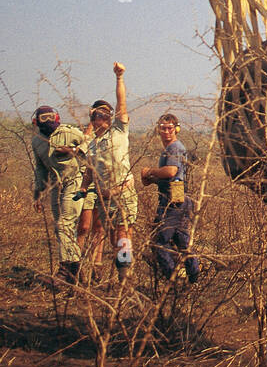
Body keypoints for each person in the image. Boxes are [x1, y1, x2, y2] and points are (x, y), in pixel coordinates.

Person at [78, 62, 139, 285]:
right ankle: (125, 270)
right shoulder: (92, 145)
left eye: (104, 114)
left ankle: (125, 279)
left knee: (122, 237)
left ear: (111, 117)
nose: (99, 118)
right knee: (115, 240)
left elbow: (121, 102)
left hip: (123, 195)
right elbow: (89, 170)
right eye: (95, 115)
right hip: (104, 201)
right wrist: (84, 188)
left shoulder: (119, 131)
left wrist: (119, 78)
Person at [29, 106, 86, 287]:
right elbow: (40, 169)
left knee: (64, 225)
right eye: (43, 119)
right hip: (56, 185)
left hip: (75, 182)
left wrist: (74, 151)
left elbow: (90, 143)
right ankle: (76, 272)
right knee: (61, 228)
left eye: (50, 118)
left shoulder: (70, 133)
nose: (48, 122)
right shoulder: (37, 142)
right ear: (36, 122)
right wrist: (38, 194)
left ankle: (65, 272)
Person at [140, 113, 200, 283]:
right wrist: (151, 179)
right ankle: (193, 279)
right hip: (177, 197)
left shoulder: (174, 147)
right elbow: (168, 177)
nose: (166, 131)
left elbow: (171, 171)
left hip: (173, 201)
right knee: (183, 242)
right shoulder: (169, 149)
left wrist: (150, 171)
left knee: (159, 242)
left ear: (176, 129)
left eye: (170, 128)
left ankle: (172, 281)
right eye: (163, 128)